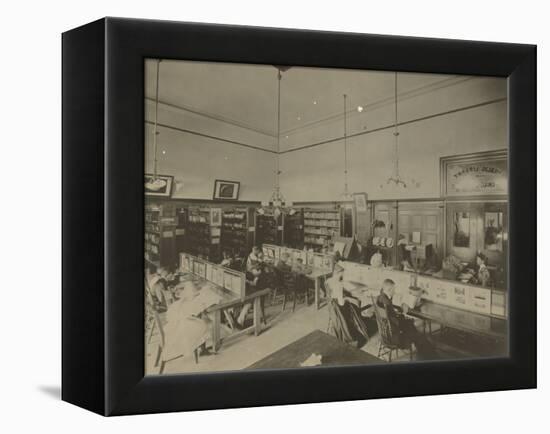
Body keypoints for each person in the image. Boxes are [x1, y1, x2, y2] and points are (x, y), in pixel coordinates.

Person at [376, 279, 437, 360]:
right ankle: (427, 353)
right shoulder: (387, 302)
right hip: (394, 337)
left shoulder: (380, 298)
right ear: (388, 289)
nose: (394, 292)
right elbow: (395, 321)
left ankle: (424, 348)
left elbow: (390, 316)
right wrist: (403, 314)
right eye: (393, 289)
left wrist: (401, 316)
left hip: (385, 334)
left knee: (410, 326)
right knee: (413, 330)